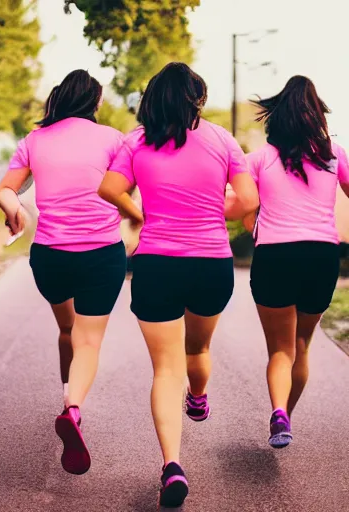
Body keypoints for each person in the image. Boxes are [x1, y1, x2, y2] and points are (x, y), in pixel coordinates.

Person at [98, 62, 258, 508]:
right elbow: (248, 200)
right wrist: (211, 207)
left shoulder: (137, 140)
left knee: (165, 370)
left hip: (155, 265)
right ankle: (200, 397)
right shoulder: (223, 139)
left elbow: (109, 188)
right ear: (197, 99)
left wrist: (140, 214)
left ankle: (171, 465)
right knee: (197, 352)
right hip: (210, 264)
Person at [0, 70, 129, 475]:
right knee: (87, 341)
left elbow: (5, 189)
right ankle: (73, 408)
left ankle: (65, 395)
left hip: (50, 255)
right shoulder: (112, 139)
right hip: (102, 254)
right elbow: (126, 190)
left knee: (67, 329)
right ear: (95, 103)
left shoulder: (33, 141)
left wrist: (15, 210)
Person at [242, 76, 349, 449]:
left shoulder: (256, 159)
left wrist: (254, 227)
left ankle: (279, 411)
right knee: (302, 345)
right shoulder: (334, 153)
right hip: (321, 256)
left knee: (280, 350)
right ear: (316, 114)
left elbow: (242, 205)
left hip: (275, 255)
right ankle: (284, 414)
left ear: (277, 117)